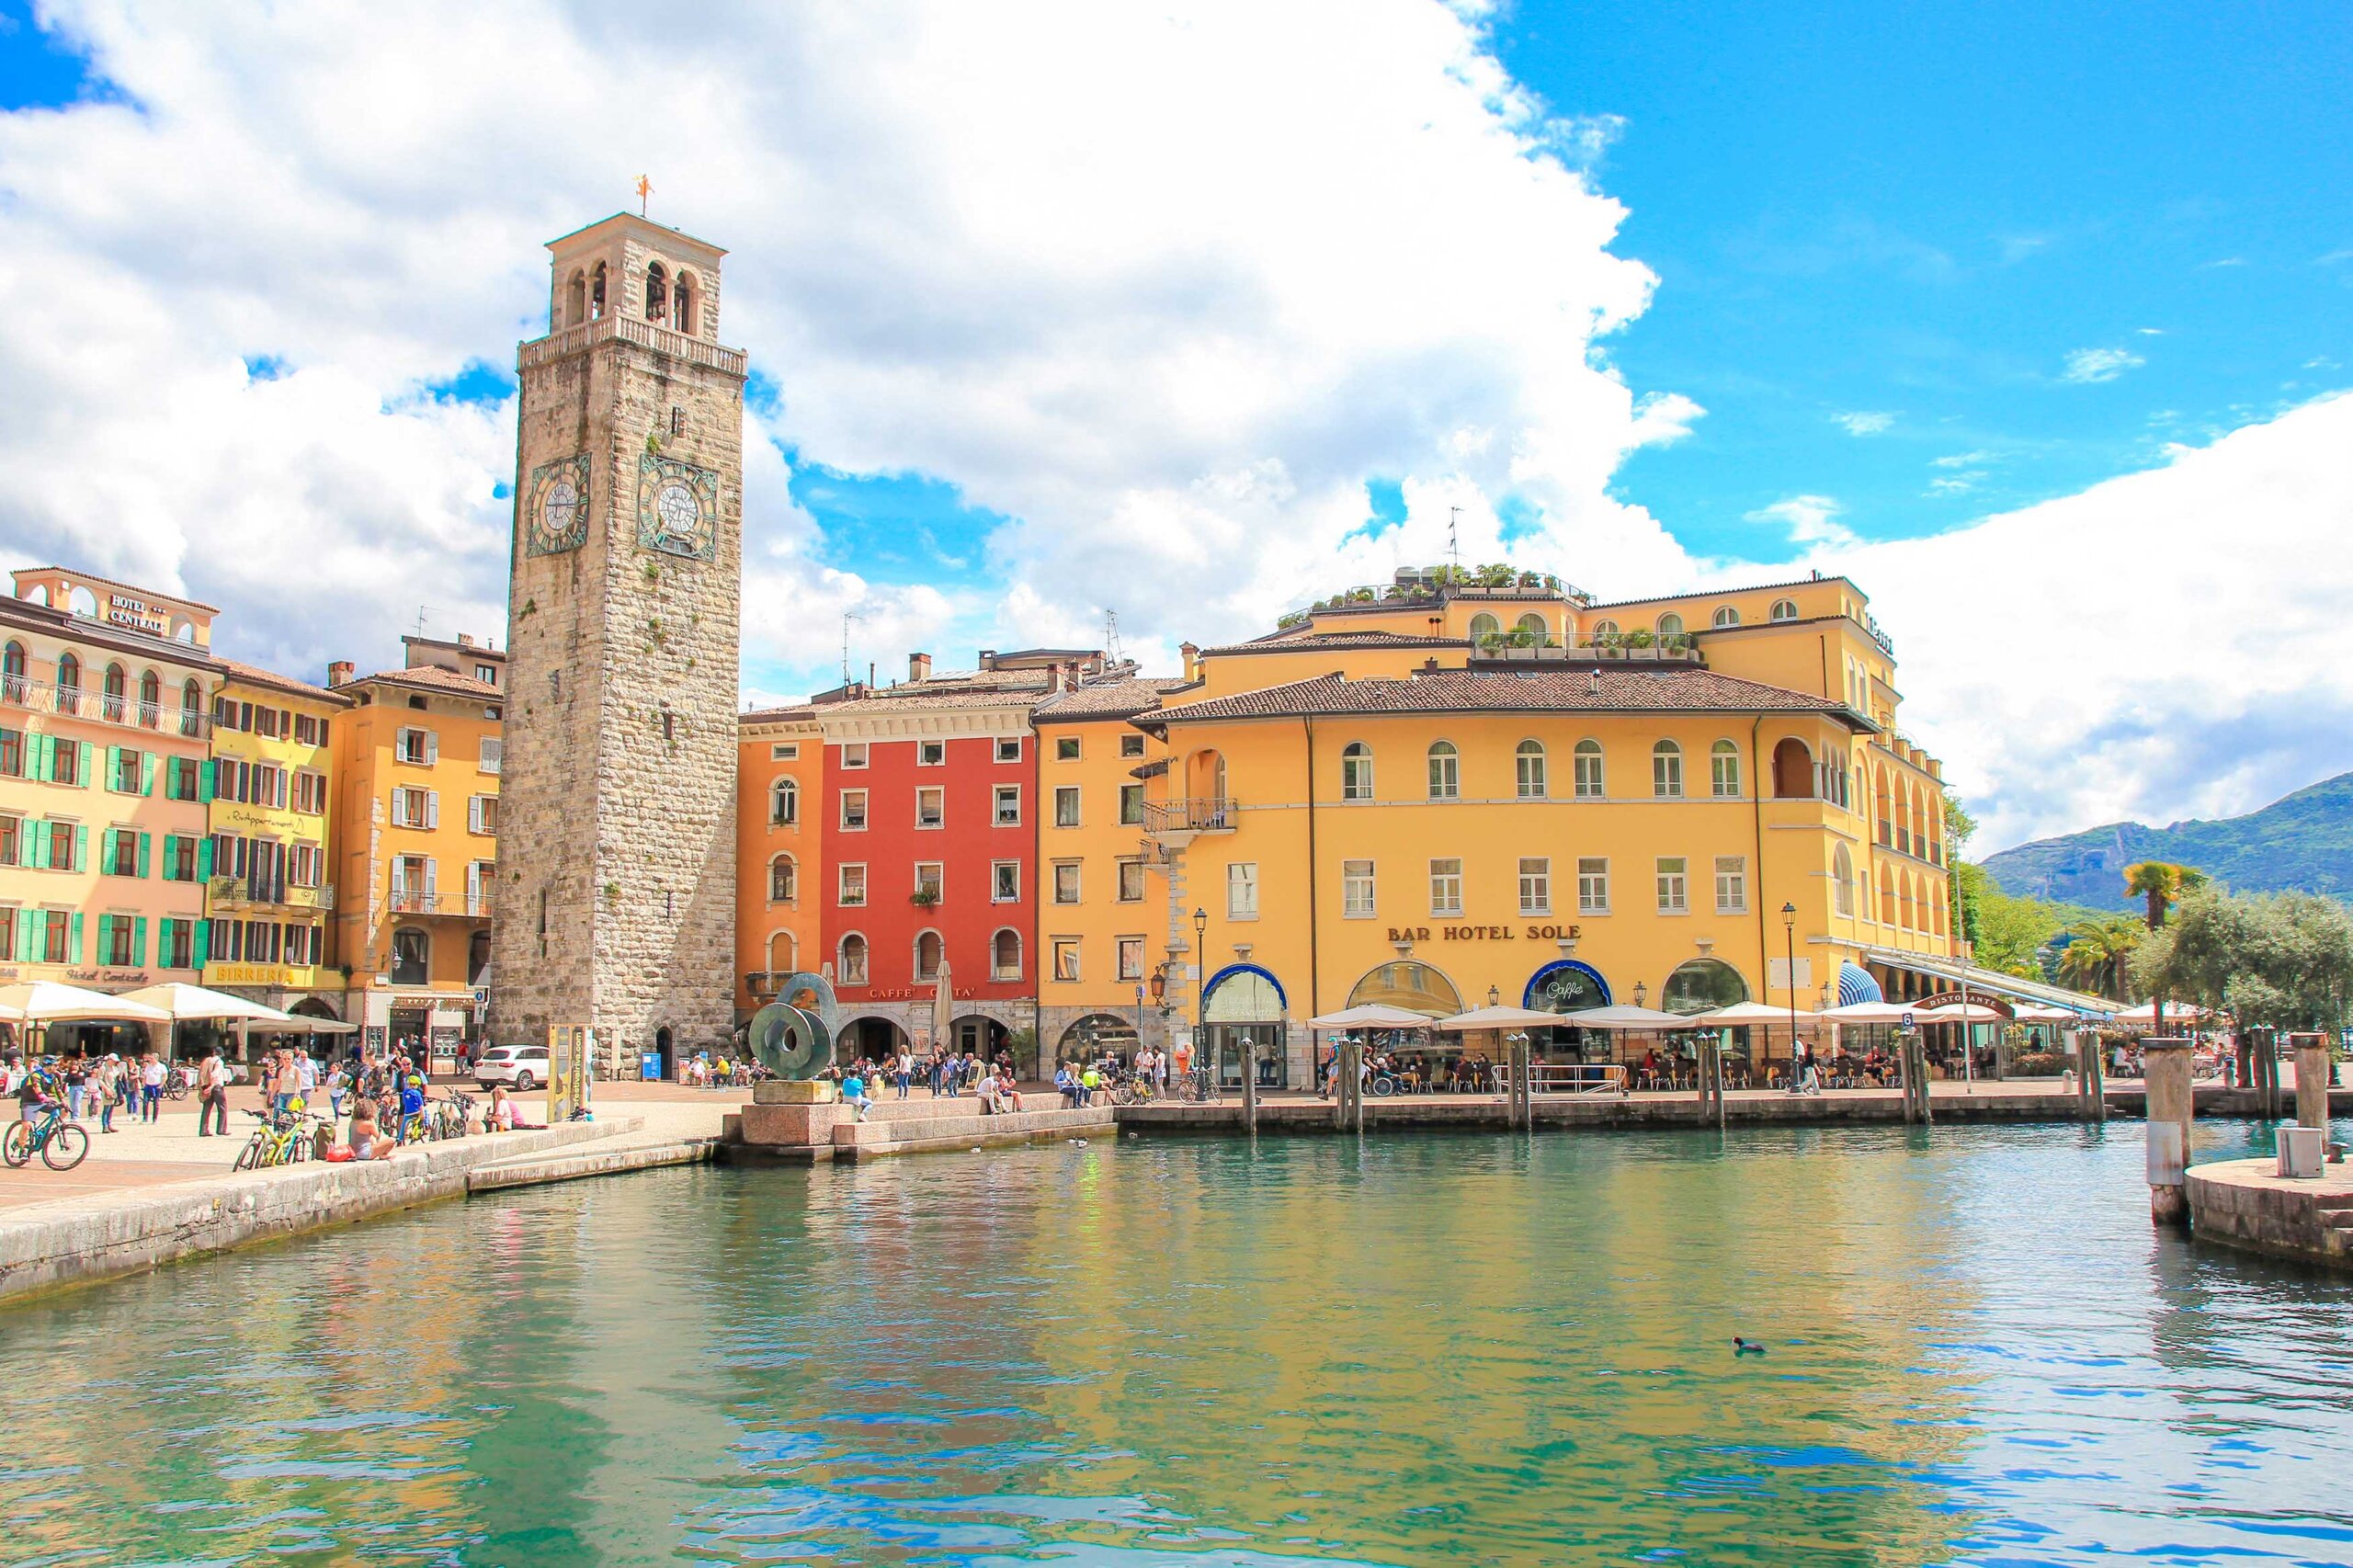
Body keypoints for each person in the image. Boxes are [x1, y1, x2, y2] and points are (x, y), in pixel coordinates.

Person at [198, 1046, 231, 1137]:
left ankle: (203, 1130)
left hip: (205, 1085)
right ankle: (221, 1129)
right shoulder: (219, 1062)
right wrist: (212, 1086)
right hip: (216, 1087)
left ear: (214, 1052)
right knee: (222, 1108)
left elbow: (201, 1074)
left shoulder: (206, 1060)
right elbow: (214, 1074)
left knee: (206, 1108)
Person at [139, 1051, 165, 1122]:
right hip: (148, 1086)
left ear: (156, 1059)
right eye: (150, 1058)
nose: (150, 1060)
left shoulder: (161, 1066)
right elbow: (145, 1075)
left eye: (152, 1058)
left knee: (156, 1103)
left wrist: (161, 1085)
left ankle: (154, 1119)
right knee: (145, 1102)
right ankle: (145, 1118)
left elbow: (165, 1076)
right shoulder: (148, 1066)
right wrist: (144, 1083)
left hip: (156, 1086)